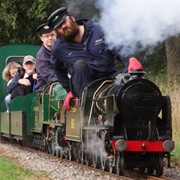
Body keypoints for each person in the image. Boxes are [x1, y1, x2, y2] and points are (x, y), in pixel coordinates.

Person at [47, 7, 143, 111]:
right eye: (59, 27)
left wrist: (131, 59)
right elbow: (58, 70)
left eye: (64, 22)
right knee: (80, 64)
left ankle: (140, 109)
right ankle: (87, 114)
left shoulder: (99, 29)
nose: (64, 26)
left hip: (111, 79)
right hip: (85, 87)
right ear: (57, 31)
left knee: (134, 72)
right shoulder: (58, 48)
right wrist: (69, 90)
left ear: (72, 18)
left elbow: (119, 47)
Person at [35, 23, 58, 93]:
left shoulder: (62, 49)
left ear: (56, 35)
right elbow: (51, 77)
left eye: (52, 35)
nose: (50, 38)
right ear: (41, 38)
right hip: (46, 90)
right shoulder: (41, 57)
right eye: (47, 36)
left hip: (62, 83)